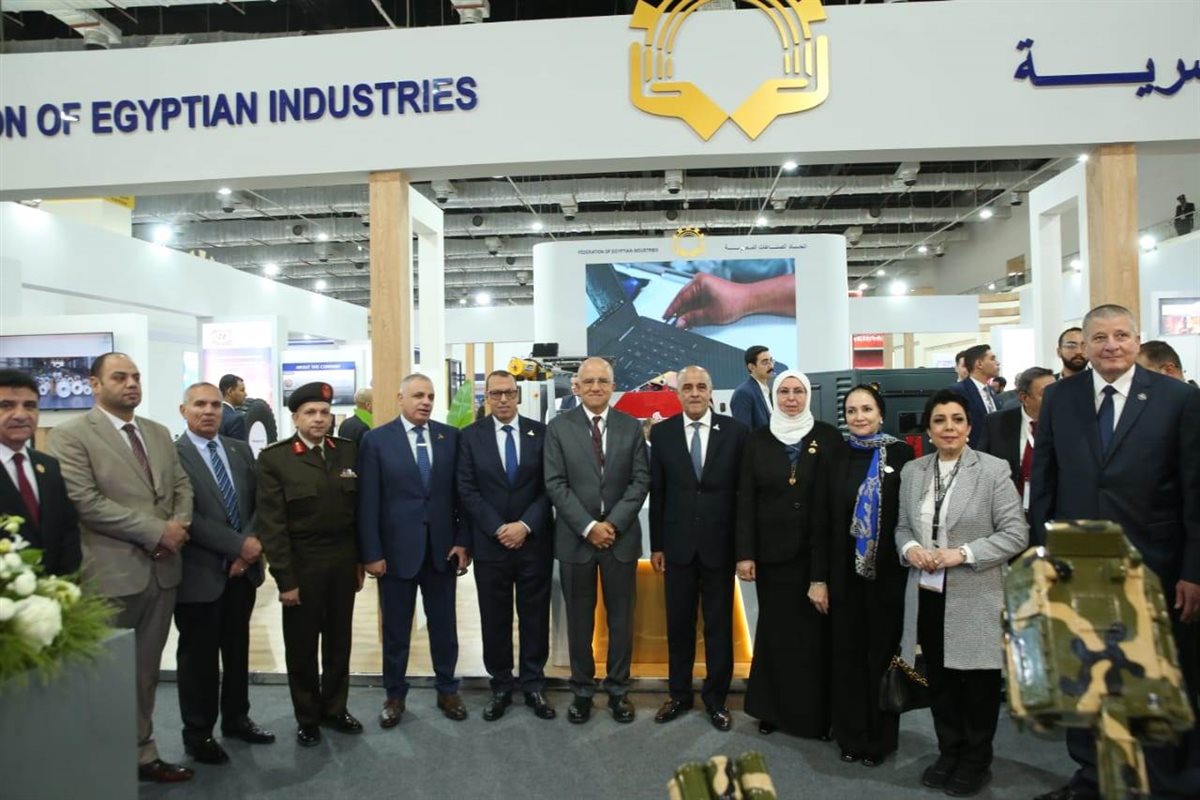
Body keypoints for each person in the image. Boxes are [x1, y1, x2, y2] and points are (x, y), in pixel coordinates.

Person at [1031, 304, 1200, 800]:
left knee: (1159, 678)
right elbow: (1045, 480)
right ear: (1083, 346)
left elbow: (1195, 488)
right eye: (1100, 337)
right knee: (1086, 675)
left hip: (1158, 565)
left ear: (1137, 339)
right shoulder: (1059, 398)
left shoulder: (1177, 398)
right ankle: (1094, 777)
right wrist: (1044, 556)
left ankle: (1169, 783)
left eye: (1122, 335)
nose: (1111, 345)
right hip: (1078, 565)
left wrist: (1193, 570)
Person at [47, 352, 195, 783]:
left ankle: (142, 753)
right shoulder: (70, 435)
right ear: (94, 385)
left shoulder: (158, 432)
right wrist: (157, 532)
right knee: (101, 678)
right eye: (119, 377)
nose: (131, 384)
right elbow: (85, 502)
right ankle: (97, 764)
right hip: (110, 575)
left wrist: (178, 527)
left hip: (162, 574)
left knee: (145, 675)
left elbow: (182, 487)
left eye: (135, 376)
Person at [895, 389, 1028, 797]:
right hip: (928, 592)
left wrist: (963, 553)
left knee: (977, 685)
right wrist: (910, 549)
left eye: (957, 419)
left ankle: (975, 759)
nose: (948, 427)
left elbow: (1015, 534)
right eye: (940, 420)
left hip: (976, 593)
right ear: (929, 429)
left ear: (970, 427)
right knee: (940, 680)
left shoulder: (992, 470)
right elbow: (902, 527)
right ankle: (948, 751)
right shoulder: (913, 471)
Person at [358, 373, 470, 728]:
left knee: (444, 627)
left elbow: (462, 495)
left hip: (441, 552)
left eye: (431, 396)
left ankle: (447, 689)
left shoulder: (449, 438)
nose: (426, 402)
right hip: (395, 554)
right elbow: (368, 502)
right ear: (400, 398)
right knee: (395, 630)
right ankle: (394, 695)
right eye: (419, 395)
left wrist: (462, 540)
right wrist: (371, 553)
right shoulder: (376, 441)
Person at [256, 381, 364, 747]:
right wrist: (285, 579)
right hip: (302, 566)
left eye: (324, 412)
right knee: (301, 646)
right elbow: (272, 525)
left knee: (339, 642)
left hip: (342, 563)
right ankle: (307, 716)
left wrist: (358, 561)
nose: (319, 419)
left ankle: (335, 708)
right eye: (310, 413)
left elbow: (356, 513)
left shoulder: (346, 451)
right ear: (295, 418)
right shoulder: (276, 459)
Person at [544, 357, 650, 724]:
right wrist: (589, 526)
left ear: (613, 386)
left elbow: (640, 480)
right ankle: (583, 691)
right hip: (576, 540)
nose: (595, 387)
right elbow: (555, 483)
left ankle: (618, 690)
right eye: (588, 381)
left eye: (602, 381)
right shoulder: (558, 428)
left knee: (621, 620)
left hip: (620, 540)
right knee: (579, 621)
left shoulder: (631, 427)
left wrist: (613, 524)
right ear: (576, 386)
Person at [735, 369, 841, 738]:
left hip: (816, 555)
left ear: (807, 396)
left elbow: (834, 500)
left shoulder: (828, 437)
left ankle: (816, 714)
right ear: (774, 397)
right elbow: (745, 498)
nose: (791, 399)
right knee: (776, 635)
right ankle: (773, 710)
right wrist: (745, 553)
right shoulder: (757, 440)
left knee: (814, 638)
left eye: (798, 391)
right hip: (772, 557)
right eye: (784, 392)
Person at [173, 382, 274, 766]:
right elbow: (186, 516)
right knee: (198, 659)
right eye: (199, 404)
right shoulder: (173, 456)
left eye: (215, 405)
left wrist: (249, 548)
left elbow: (259, 502)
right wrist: (237, 546)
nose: (209, 411)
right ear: (184, 410)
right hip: (200, 574)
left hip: (242, 574)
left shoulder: (238, 449)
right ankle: (198, 734)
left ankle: (236, 719)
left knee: (237, 650)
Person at [649, 365, 748, 732]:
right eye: (687, 387)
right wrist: (657, 544)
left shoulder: (736, 432)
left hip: (720, 547)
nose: (694, 393)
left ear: (711, 392)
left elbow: (742, 495)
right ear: (678, 393)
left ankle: (716, 698)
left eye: (700, 387)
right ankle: (679, 694)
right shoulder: (663, 434)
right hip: (677, 547)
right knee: (679, 624)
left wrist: (742, 549)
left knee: (720, 626)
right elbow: (658, 492)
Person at [456, 370, 555, 721]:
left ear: (518, 395)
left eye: (509, 393)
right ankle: (500, 685)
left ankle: (533, 683)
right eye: (495, 393)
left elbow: (550, 486)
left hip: (533, 543)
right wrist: (499, 528)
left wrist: (524, 525)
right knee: (494, 618)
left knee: (535, 617)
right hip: (491, 544)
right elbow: (466, 488)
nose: (502, 399)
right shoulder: (469, 437)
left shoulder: (541, 433)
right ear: (486, 397)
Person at [829, 384, 915, 767]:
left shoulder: (901, 454)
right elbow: (824, 519)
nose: (859, 417)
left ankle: (880, 739)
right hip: (844, 575)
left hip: (887, 577)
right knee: (847, 657)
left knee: (881, 657)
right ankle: (850, 735)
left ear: (880, 414)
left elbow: (909, 515)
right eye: (852, 410)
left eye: (866, 409)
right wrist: (820, 579)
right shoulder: (836, 454)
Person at [0, 368, 80, 575]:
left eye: (30, 406)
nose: (20, 415)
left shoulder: (48, 466)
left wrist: (65, 584)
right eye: (6, 405)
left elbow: (68, 531)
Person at [977, 366, 1055, 511]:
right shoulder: (996, 423)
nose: (1055, 399)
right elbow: (981, 467)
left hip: (1050, 508)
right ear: (1025, 398)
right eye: (1047, 394)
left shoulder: (1066, 425)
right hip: (1005, 508)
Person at [950, 343, 1000, 448]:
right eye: (992, 359)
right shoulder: (958, 391)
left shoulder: (991, 391)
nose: (998, 363)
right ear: (979, 364)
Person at [730, 345, 775, 430]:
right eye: (765, 362)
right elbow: (743, 432)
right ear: (751, 367)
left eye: (771, 360)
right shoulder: (743, 393)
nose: (771, 366)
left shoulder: (769, 391)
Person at [217, 374, 247, 440]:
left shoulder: (214, 414)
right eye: (242, 390)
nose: (245, 394)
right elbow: (238, 446)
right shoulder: (236, 419)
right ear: (230, 391)